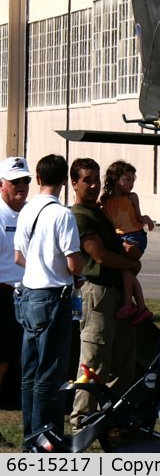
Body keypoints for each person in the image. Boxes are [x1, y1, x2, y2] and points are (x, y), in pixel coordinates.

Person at [69, 157, 144, 427]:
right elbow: (99, 256)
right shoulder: (79, 215)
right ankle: (81, 420)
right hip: (98, 294)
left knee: (123, 362)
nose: (92, 185)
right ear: (74, 183)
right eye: (86, 180)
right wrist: (132, 263)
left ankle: (112, 419)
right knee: (93, 361)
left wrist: (130, 252)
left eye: (96, 179)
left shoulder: (100, 211)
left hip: (117, 293)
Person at [13, 154, 82, 445]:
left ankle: (31, 435)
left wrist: (39, 266)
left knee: (29, 371)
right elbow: (74, 264)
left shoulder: (27, 211)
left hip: (28, 294)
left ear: (38, 179)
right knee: (51, 373)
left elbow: (18, 257)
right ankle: (47, 437)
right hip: (53, 297)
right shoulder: (63, 214)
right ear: (64, 181)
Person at [100, 161, 154, 324]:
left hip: (135, 236)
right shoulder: (106, 199)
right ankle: (142, 308)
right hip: (120, 238)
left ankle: (127, 303)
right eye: (127, 179)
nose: (131, 183)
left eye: (133, 180)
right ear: (116, 179)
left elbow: (138, 217)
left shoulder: (132, 197)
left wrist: (147, 219)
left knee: (125, 267)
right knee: (127, 271)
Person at [0, 156, 32, 403]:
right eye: (15, 181)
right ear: (2, 184)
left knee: (26, 352)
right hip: (3, 292)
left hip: (30, 293)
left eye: (25, 180)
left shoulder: (32, 213)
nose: (21, 185)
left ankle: (15, 397)